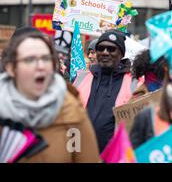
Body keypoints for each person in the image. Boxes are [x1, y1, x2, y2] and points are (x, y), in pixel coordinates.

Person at [0, 31, 100, 162]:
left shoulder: (72, 110)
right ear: (11, 67)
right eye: (30, 59)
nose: (40, 66)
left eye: (46, 58)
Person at [73, 29, 144, 152]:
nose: (105, 52)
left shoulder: (135, 83)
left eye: (111, 49)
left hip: (117, 155)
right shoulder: (81, 78)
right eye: (101, 49)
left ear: (121, 54)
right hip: (80, 152)